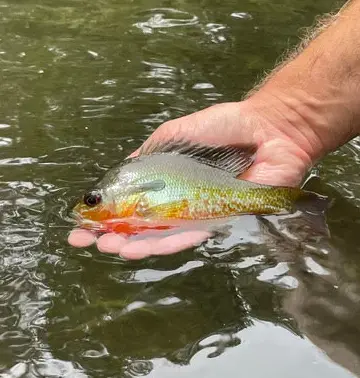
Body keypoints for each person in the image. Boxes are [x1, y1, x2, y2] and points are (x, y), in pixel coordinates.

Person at [68, 0, 360, 259]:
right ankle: (300, 205)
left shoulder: (137, 195)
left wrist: (284, 122)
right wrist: (288, 120)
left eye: (93, 200)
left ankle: (293, 203)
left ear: (126, 194)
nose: (88, 206)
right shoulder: (135, 191)